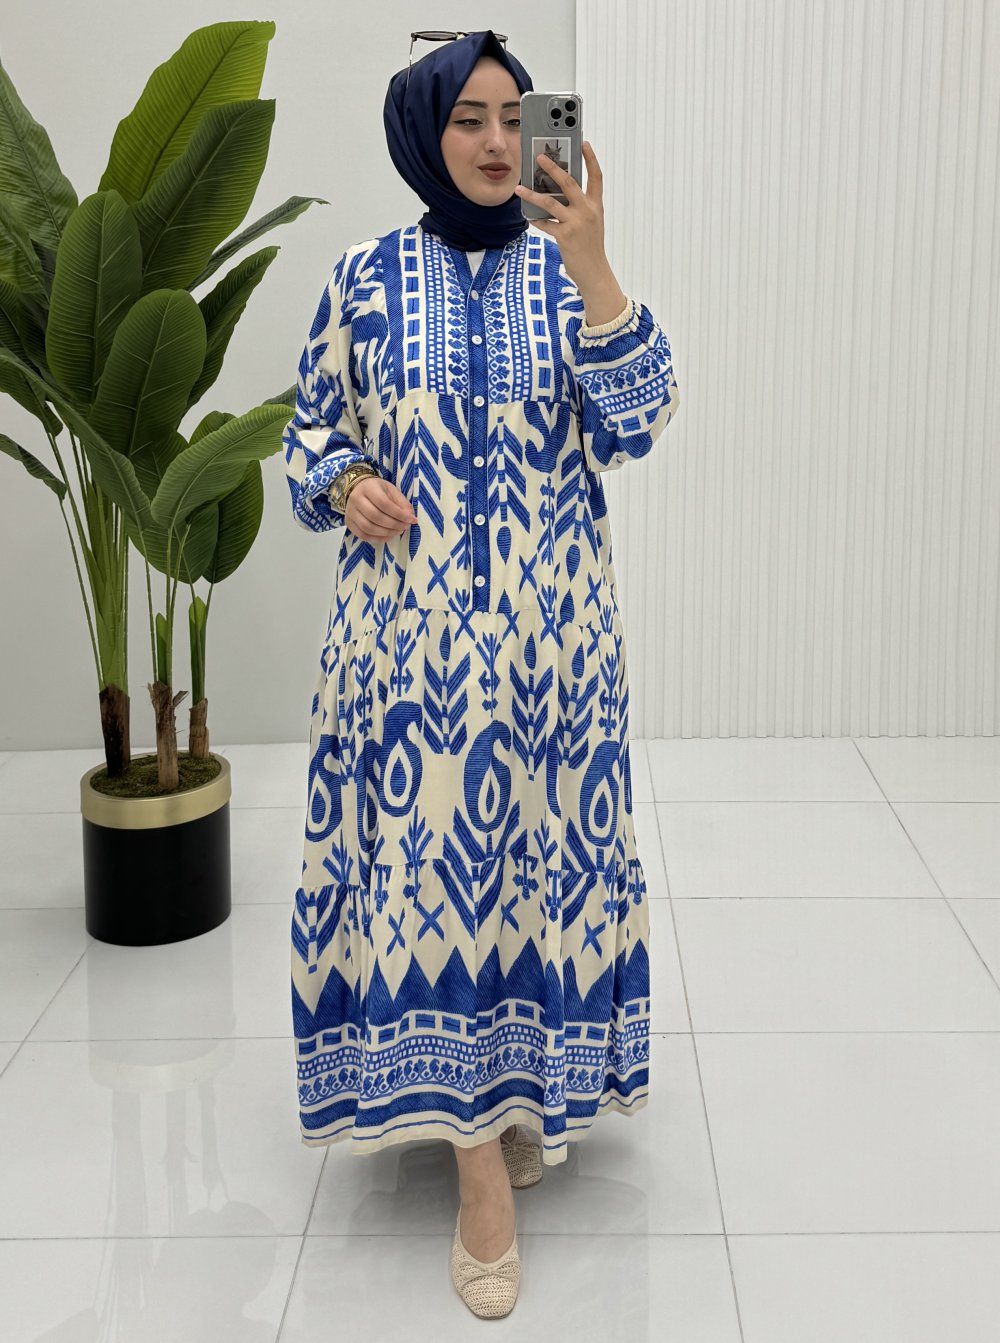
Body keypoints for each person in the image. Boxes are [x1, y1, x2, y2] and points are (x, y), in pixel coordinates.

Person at [283, 29, 679, 1319]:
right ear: (423, 131)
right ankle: (477, 1175)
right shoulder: (360, 279)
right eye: (469, 118)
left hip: (556, 656)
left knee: (532, 881)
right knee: (436, 891)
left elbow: (640, 420)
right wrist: (347, 480)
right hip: (411, 662)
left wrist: (597, 264)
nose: (500, 142)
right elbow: (306, 436)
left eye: (516, 116)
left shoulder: (567, 272)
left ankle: (516, 1092)